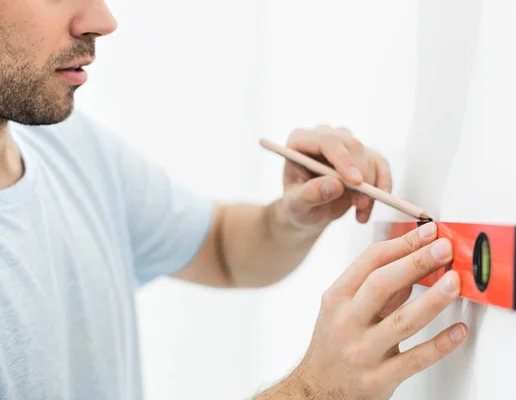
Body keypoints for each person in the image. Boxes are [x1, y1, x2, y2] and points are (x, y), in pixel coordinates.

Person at [0, 0, 468, 399]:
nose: (103, 19)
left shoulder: (65, 145)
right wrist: (314, 390)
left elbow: (224, 251)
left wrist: (295, 217)